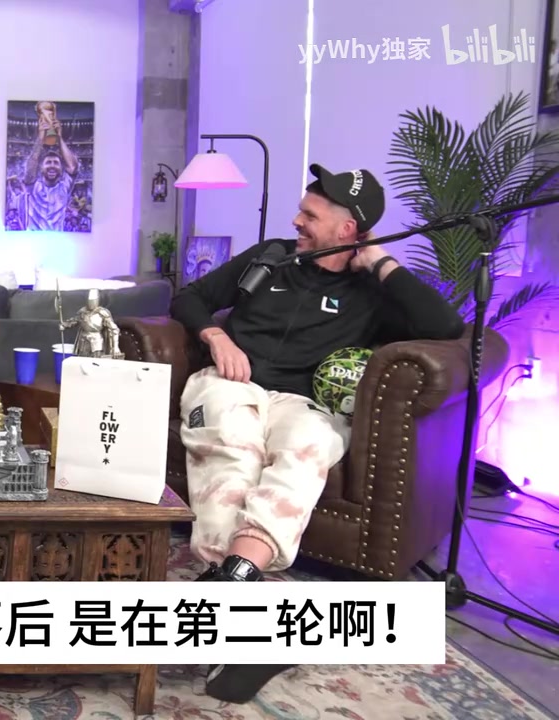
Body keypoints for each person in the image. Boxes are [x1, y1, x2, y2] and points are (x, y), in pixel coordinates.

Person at [168, 164, 464, 703]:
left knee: (308, 451)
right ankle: (249, 617)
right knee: (232, 447)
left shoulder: (373, 292)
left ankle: (230, 590)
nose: (296, 221)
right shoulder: (270, 257)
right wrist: (215, 337)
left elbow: (446, 327)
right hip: (231, 385)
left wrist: (381, 262)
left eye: (310, 215)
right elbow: (189, 297)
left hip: (304, 403)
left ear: (347, 230)